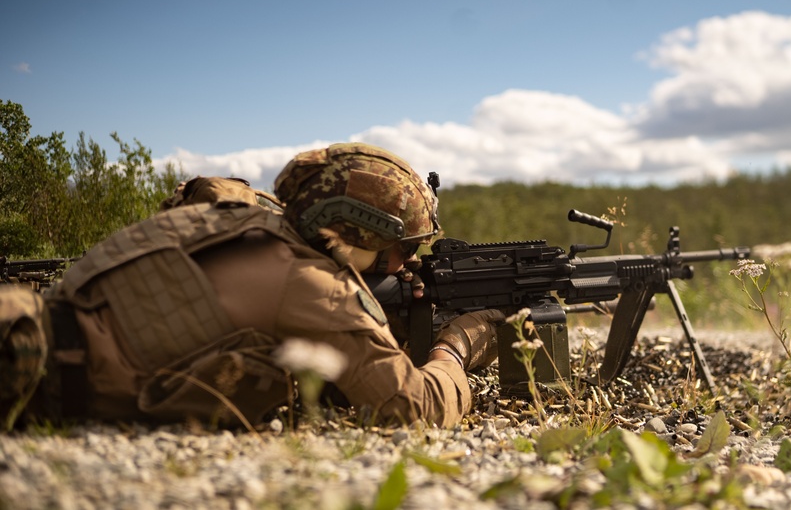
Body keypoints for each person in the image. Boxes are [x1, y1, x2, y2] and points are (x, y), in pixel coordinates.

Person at [0, 143, 501, 430]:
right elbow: (412, 408)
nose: (406, 263)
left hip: (30, 316)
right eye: (402, 249)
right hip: (28, 373)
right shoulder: (314, 287)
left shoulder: (237, 214)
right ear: (358, 233)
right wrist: (453, 349)